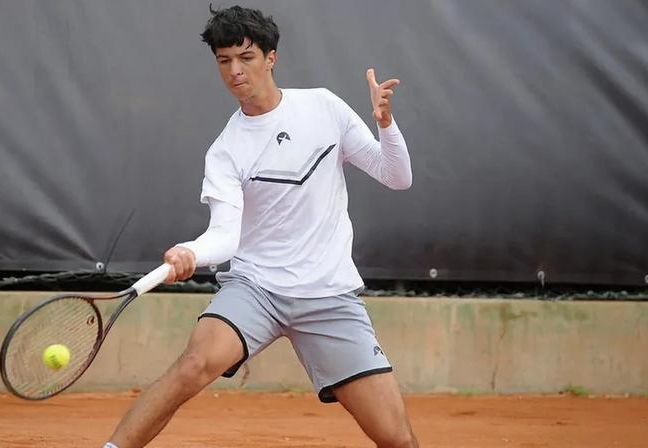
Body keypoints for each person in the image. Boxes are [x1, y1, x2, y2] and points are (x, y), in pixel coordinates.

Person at [105, 5, 416, 447]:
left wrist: (385, 124)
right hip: (257, 289)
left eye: (245, 57)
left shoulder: (325, 108)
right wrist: (192, 251)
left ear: (271, 58)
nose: (234, 71)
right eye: (223, 60)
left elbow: (396, 176)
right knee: (194, 365)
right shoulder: (226, 151)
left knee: (397, 439)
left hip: (327, 294)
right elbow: (225, 235)